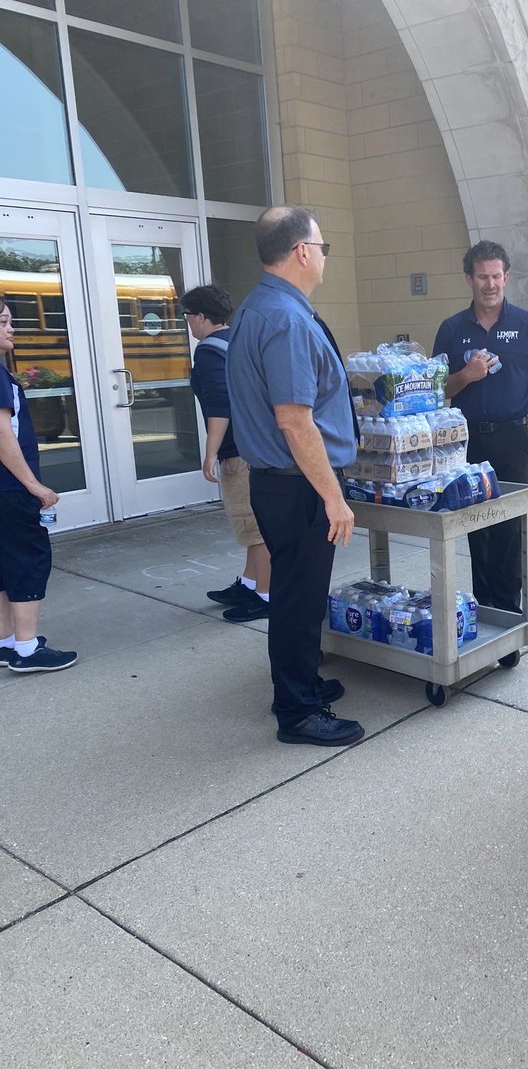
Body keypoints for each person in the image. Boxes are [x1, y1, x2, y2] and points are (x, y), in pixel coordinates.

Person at [226, 206, 363, 747]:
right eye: (322, 247)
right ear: (303, 252)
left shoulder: (259, 307)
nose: (324, 256)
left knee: (295, 593)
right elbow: (294, 418)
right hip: (299, 483)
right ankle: (298, 712)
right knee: (298, 599)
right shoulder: (283, 318)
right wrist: (334, 497)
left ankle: (300, 684)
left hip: (281, 482)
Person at [433, 240, 528, 612]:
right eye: (482, 277)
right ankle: (483, 609)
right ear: (469, 280)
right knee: (476, 527)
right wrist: (467, 375)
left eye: (496, 276)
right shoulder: (452, 328)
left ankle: (508, 615)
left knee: (509, 529)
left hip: (511, 439)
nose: (489, 284)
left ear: (506, 277)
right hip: (466, 441)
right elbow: (438, 390)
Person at [182, 284, 272, 624]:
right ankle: (250, 583)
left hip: (238, 451)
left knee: (256, 526)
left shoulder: (208, 352)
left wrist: (210, 453)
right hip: (256, 445)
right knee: (250, 524)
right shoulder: (236, 341)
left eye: (188, 316)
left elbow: (220, 406)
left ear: (202, 317)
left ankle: (265, 595)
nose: (188, 322)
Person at [0, 297, 77, 673]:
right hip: (11, 489)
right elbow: (2, 437)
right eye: (3, 322)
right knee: (29, 560)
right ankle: (27, 648)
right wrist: (35, 486)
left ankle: (5, 641)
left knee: (2, 564)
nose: (10, 328)